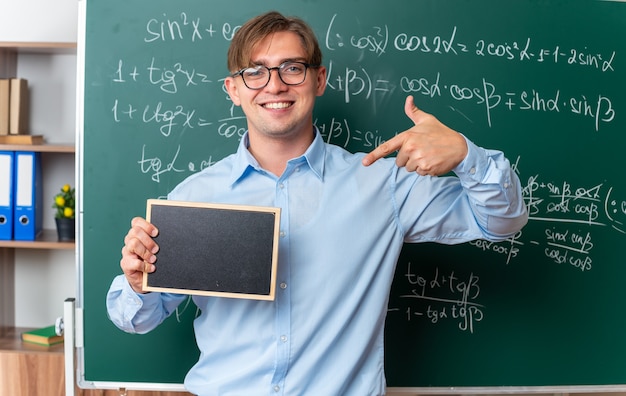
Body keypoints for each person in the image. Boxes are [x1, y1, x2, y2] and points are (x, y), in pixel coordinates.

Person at [106, 10, 528, 396]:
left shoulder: (382, 185)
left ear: (319, 80)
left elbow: (502, 220)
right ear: (233, 90)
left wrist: (465, 155)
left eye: (292, 68)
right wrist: (138, 284)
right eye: (255, 72)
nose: (274, 85)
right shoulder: (194, 197)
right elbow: (137, 318)